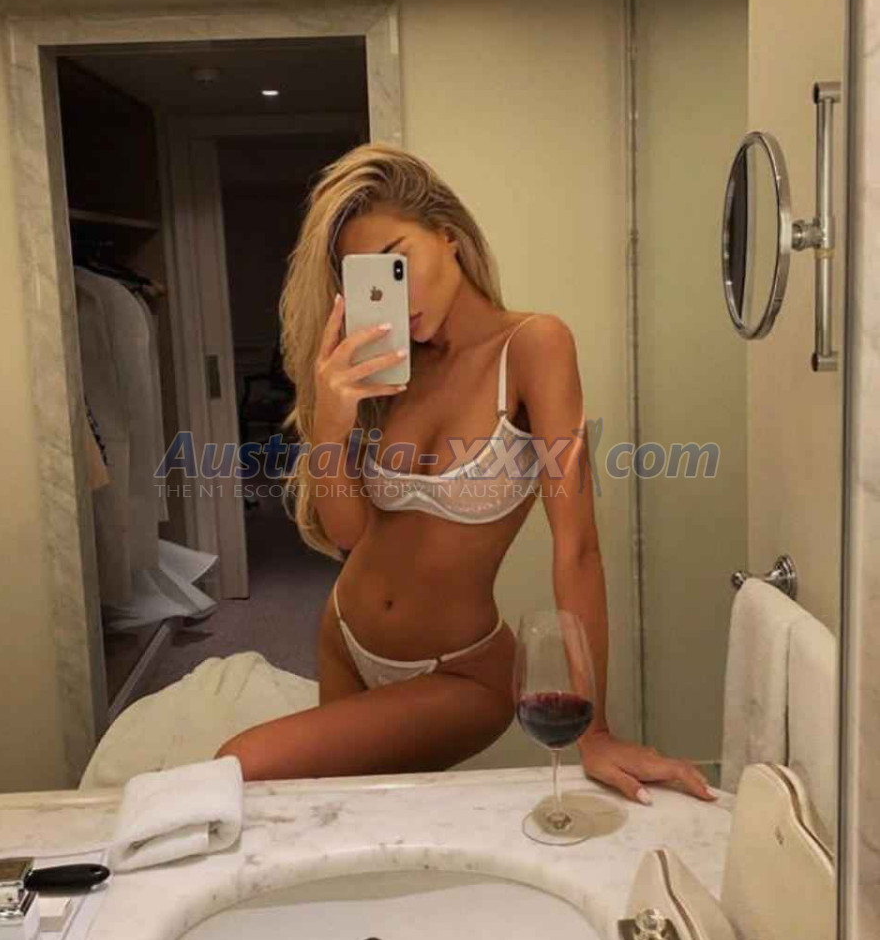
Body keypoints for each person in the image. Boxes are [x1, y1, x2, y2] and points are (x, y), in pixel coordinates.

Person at [216, 143, 713, 806]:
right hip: (344, 635)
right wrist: (329, 431)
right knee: (350, 827)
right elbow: (351, 536)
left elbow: (577, 549)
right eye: (373, 277)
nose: (395, 294)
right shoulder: (391, 368)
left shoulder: (533, 346)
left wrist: (595, 730)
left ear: (446, 235)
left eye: (399, 260)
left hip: (460, 673)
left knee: (240, 766)